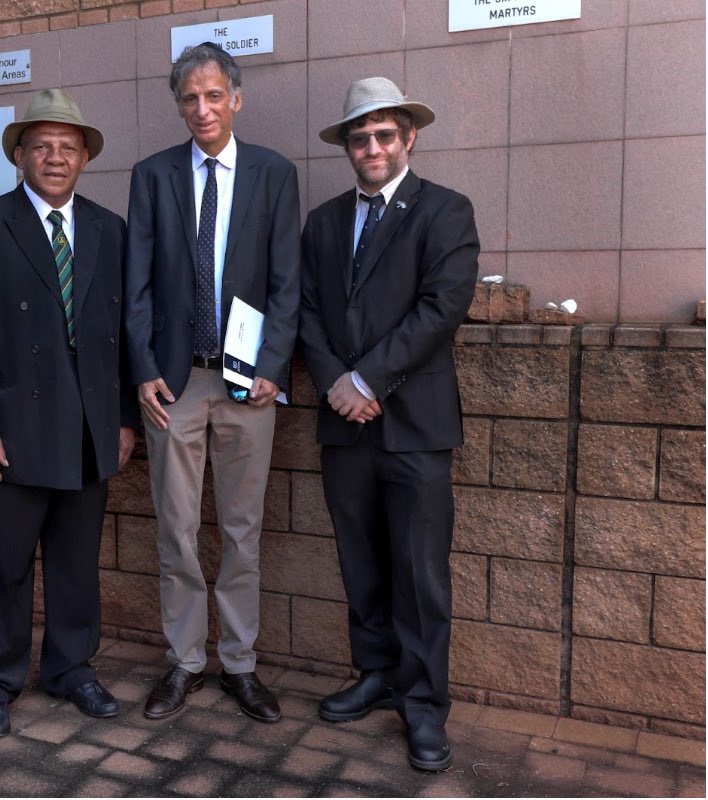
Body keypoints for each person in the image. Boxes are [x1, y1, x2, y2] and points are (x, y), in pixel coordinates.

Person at [0, 89, 137, 739]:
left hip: (87, 429)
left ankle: (71, 668)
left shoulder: (111, 229)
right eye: (42, 146)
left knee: (78, 561)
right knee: (7, 563)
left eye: (68, 148)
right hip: (11, 432)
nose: (55, 157)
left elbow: (124, 335)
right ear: (19, 155)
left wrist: (125, 418)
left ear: (84, 159)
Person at [297, 76, 480, 771]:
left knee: (420, 573)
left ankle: (425, 704)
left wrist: (368, 380)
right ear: (347, 145)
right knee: (362, 561)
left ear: (408, 138)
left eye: (382, 135)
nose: (370, 147)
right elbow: (308, 312)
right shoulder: (322, 222)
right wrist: (338, 385)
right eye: (358, 136)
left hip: (414, 426)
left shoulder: (444, 211)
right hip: (346, 427)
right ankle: (375, 674)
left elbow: (442, 307)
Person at [124, 43, 300, 723]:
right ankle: (185, 662)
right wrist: (143, 369)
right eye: (189, 98)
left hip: (246, 385)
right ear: (179, 105)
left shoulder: (273, 174)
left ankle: (242, 665)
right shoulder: (152, 175)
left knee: (242, 529)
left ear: (236, 98)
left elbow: (287, 282)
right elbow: (134, 285)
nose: (202, 108)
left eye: (213, 95)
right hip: (173, 383)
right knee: (174, 528)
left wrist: (272, 368)